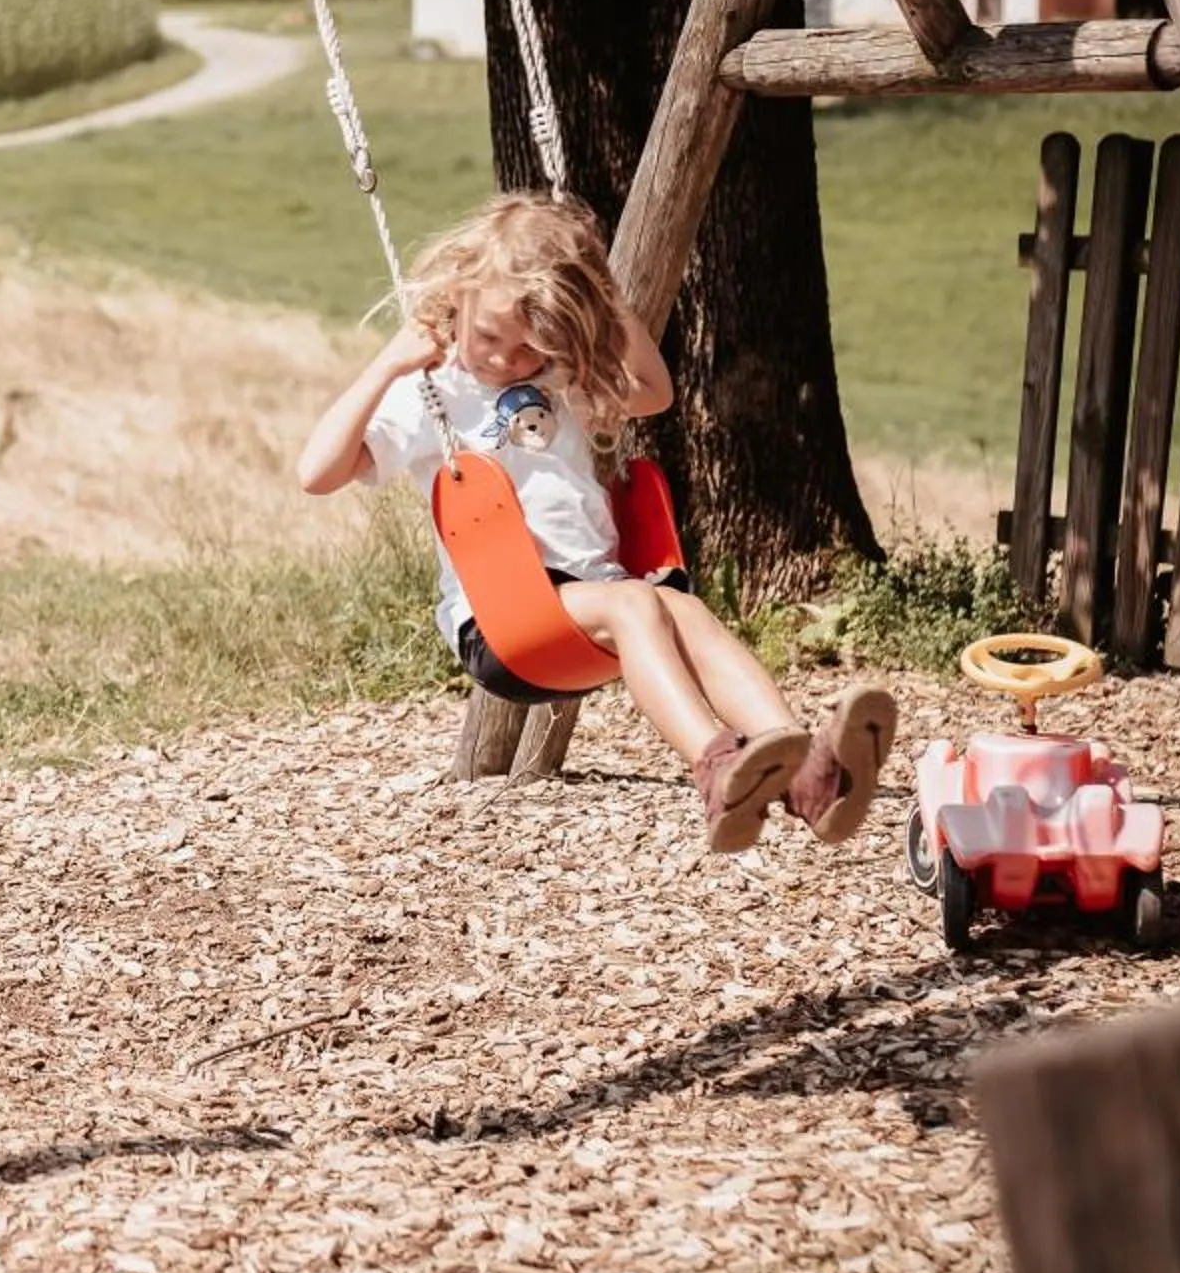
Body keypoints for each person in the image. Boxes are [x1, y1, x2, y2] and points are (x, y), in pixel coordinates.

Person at [296, 192, 897, 853]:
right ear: (456, 296)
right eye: (490, 336)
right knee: (639, 601)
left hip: (594, 597)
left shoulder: (563, 380)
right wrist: (388, 362)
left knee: (683, 610)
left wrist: (603, 293)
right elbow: (316, 473)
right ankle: (717, 768)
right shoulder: (428, 390)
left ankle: (806, 772)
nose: (505, 360)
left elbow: (655, 392)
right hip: (500, 621)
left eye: (528, 348)